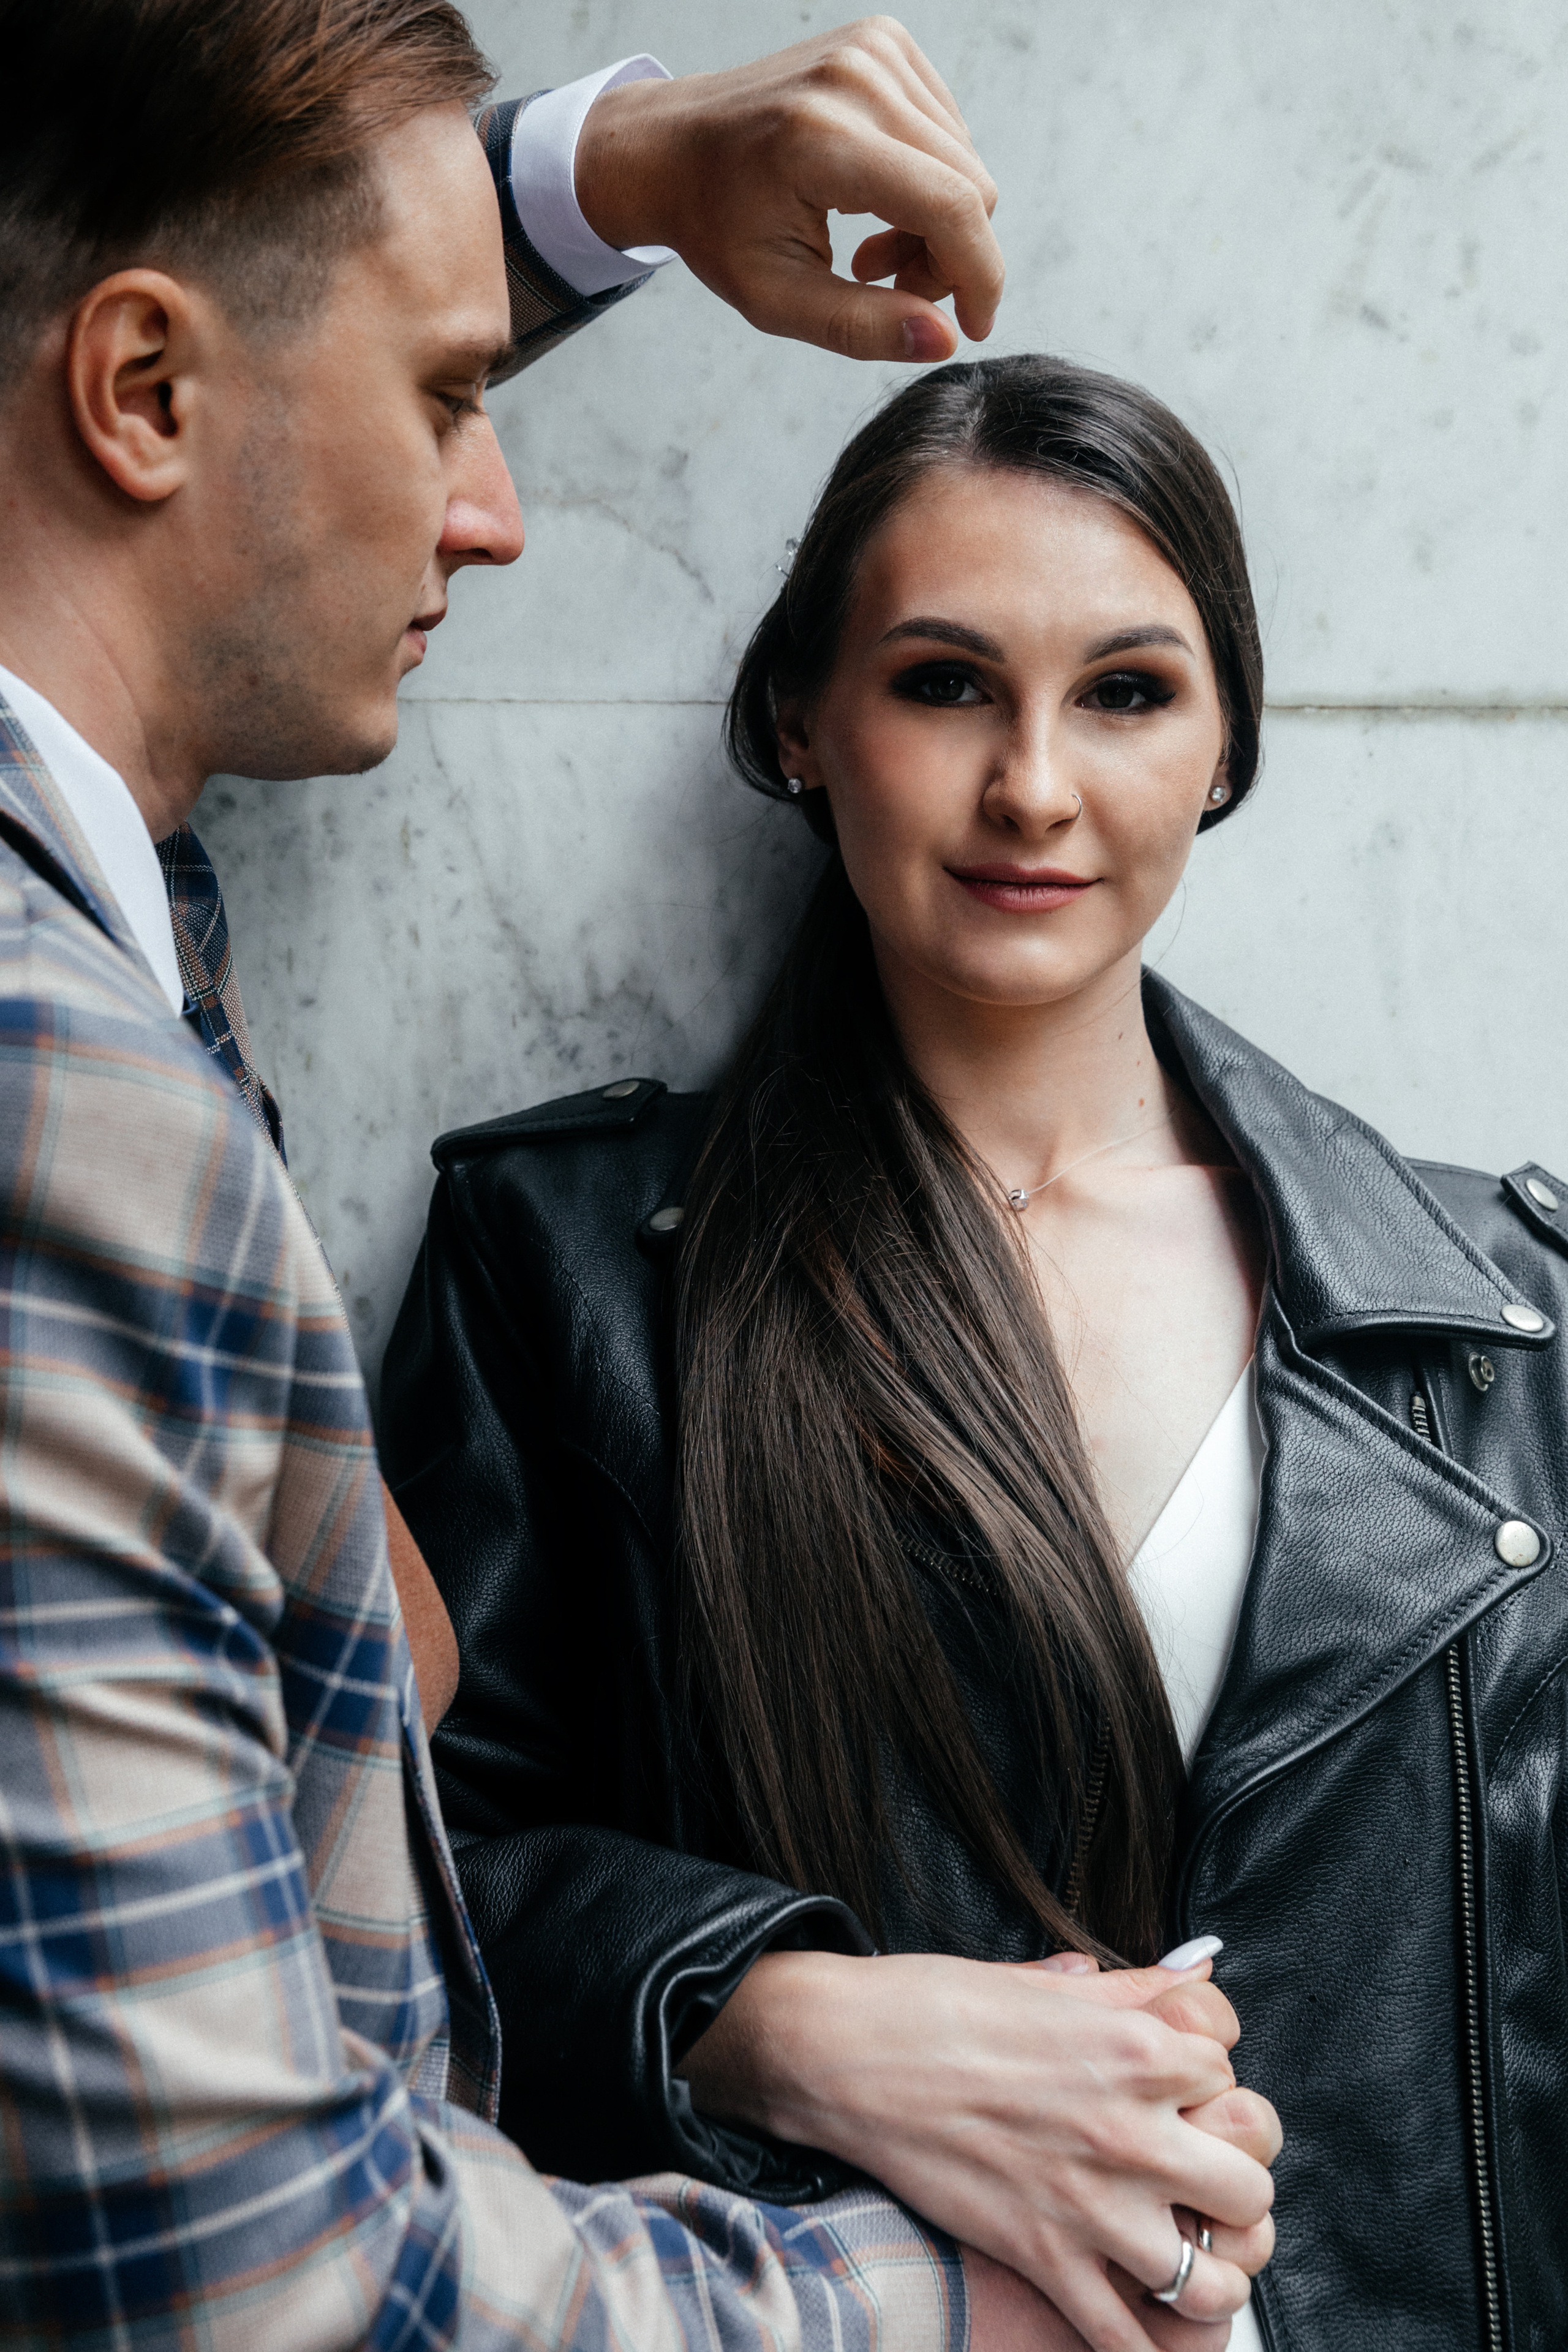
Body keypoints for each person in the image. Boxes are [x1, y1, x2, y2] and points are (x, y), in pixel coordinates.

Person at [0, 2, 1079, 2344]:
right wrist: (937, 2297)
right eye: (453, 394)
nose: (494, 510)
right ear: (144, 399)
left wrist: (619, 171)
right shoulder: (49, 1098)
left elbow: (209, 267)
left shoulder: (103, 896)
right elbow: (263, 2297)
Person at [383, 350, 1568, 2352]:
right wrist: (782, 2016)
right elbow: (387, 1887)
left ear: (1223, 747)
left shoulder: (1491, 1320)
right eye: (945, 683)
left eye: (1126, 692)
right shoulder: (565, 1266)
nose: (1034, 784)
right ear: (799, 723)